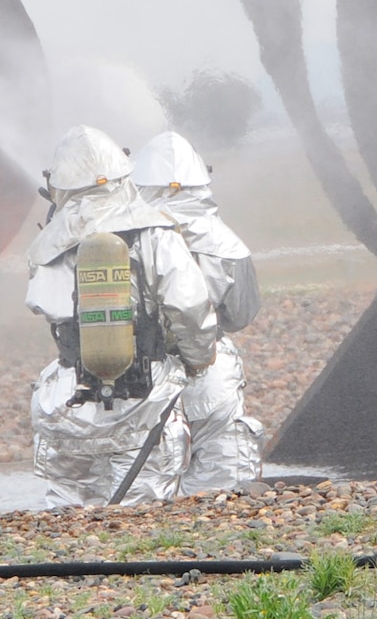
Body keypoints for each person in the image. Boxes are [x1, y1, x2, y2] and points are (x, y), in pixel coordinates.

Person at [24, 125, 222, 507]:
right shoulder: (154, 230)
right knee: (142, 515)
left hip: (69, 397)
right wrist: (197, 361)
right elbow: (189, 306)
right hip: (143, 394)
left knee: (69, 515)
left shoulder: (46, 244)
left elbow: (42, 306)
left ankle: (72, 567)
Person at [131, 130, 264, 494]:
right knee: (223, 470)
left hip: (136, 369)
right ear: (202, 180)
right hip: (209, 367)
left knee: (141, 470)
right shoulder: (225, 242)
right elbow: (240, 315)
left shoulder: (121, 236)